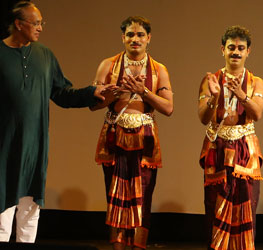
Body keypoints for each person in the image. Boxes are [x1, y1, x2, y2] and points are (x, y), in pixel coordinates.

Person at [0, 1, 112, 243]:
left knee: (30, 211)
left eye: (42, 23)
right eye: (36, 23)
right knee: (2, 212)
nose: (41, 28)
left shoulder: (45, 56)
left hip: (34, 147)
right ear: (19, 24)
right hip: (3, 147)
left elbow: (62, 93)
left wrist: (91, 93)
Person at [90, 16, 173, 250]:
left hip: (144, 140)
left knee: (142, 198)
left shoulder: (159, 70)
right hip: (114, 137)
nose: (135, 39)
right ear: (123, 38)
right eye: (130, 35)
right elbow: (93, 104)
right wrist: (114, 94)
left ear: (148, 38)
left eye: (139, 35)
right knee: (115, 196)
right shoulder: (108, 65)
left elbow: (168, 108)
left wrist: (143, 91)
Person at [197, 25, 263, 250]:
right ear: (222, 50)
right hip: (216, 148)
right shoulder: (211, 80)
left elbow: (257, 113)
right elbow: (203, 117)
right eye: (231, 48)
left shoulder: (256, 82)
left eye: (240, 48)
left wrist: (242, 95)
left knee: (245, 204)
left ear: (248, 52)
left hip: (245, 150)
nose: (236, 52)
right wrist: (215, 97)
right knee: (214, 205)